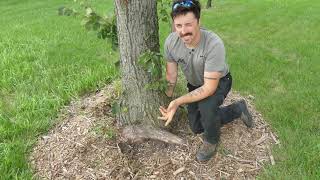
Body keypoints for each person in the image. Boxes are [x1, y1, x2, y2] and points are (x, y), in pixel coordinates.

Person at [158, 0, 253, 162]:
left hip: (219, 81)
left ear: (199, 22)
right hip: (195, 84)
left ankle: (211, 140)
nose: (183, 31)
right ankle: (237, 109)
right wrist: (168, 99)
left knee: (207, 107)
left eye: (188, 24)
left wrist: (178, 101)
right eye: (178, 26)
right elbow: (171, 76)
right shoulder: (171, 43)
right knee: (196, 127)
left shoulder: (213, 43)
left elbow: (209, 88)